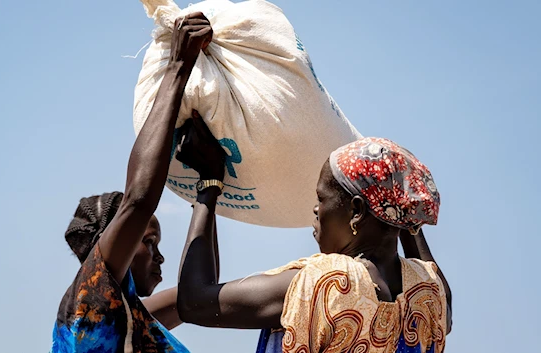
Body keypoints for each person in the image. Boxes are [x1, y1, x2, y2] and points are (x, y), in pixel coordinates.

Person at [174, 121, 452, 353]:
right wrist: (399, 204)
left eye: (322, 198)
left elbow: (194, 302)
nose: (317, 209)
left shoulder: (324, 284)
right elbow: (435, 285)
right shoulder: (430, 293)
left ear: (356, 210)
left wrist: (209, 186)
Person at [50, 12, 214, 353]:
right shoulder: (88, 307)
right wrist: (178, 68)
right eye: (149, 241)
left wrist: (209, 185)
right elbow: (138, 202)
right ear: (108, 241)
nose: (160, 258)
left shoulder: (129, 317)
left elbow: (200, 296)